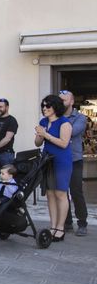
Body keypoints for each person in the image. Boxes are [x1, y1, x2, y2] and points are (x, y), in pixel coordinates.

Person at [35, 94, 72, 242]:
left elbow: (64, 143)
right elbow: (38, 143)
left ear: (55, 107)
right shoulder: (43, 121)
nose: (44, 108)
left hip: (61, 161)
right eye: (43, 106)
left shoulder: (65, 123)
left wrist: (46, 135)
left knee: (60, 194)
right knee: (50, 194)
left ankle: (60, 228)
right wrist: (40, 134)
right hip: (47, 160)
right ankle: (53, 226)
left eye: (47, 106)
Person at [59, 90, 88, 236]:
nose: (61, 103)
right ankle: (67, 222)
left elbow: (71, 132)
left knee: (76, 192)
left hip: (74, 160)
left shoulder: (80, 118)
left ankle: (82, 223)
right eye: (59, 100)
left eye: (64, 100)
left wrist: (56, 127)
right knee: (62, 192)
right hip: (59, 160)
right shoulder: (55, 117)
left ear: (71, 102)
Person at [0, 98, 18, 178]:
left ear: (7, 107)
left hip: (6, 155)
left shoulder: (12, 120)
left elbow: (8, 138)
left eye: (0, 107)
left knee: (6, 178)